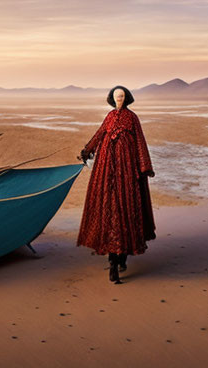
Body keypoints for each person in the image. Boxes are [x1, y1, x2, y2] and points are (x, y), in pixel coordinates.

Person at [76, 86, 156, 284]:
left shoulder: (132, 118)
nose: (119, 99)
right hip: (106, 170)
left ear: (126, 98)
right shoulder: (110, 116)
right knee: (109, 208)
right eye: (115, 97)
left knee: (126, 208)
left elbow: (140, 142)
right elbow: (100, 134)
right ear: (111, 99)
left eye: (121, 96)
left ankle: (121, 258)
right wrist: (87, 150)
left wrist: (144, 166)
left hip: (127, 170)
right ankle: (114, 261)